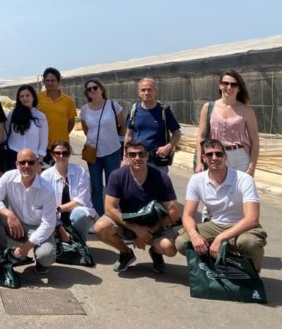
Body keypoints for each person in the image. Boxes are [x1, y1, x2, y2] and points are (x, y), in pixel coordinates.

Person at [176, 139, 267, 271]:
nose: (214, 158)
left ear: (225, 157)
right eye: (209, 154)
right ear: (203, 158)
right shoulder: (196, 180)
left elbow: (252, 219)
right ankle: (212, 267)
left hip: (241, 226)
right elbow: (187, 215)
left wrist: (220, 238)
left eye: (219, 154)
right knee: (182, 242)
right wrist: (194, 235)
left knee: (249, 243)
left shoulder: (244, 179)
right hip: (215, 225)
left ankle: (251, 276)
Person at [94, 140, 179, 275]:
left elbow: (173, 213)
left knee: (169, 249)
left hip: (154, 223)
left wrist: (147, 233)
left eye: (141, 154)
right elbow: (109, 209)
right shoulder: (117, 176)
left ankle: (156, 253)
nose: (137, 158)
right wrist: (136, 229)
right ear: (126, 157)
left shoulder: (161, 178)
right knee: (101, 227)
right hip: (127, 222)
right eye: (132, 155)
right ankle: (126, 253)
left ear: (147, 156)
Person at [0, 148, 57, 274]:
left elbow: (48, 224)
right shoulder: (8, 177)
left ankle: (41, 262)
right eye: (22, 162)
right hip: (15, 223)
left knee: (46, 255)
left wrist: (26, 247)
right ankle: (4, 256)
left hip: (37, 227)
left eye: (31, 162)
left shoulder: (47, 189)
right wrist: (9, 214)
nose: (26, 166)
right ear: (17, 164)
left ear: (37, 164)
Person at [195, 70, 260, 176]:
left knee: (240, 187)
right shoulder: (208, 107)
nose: (229, 87)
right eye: (225, 83)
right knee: (216, 186)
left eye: (233, 84)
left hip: (240, 158)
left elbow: (255, 141)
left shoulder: (247, 110)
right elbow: (200, 137)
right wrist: (199, 162)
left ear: (239, 88)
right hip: (216, 156)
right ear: (220, 85)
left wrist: (251, 169)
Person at [79, 78, 126, 218]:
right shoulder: (85, 110)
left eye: (95, 87)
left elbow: (123, 126)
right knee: (96, 187)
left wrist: (120, 143)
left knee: (113, 186)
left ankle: (114, 216)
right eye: (89, 89)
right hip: (93, 153)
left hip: (112, 151)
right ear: (87, 93)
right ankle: (99, 217)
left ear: (101, 89)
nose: (92, 90)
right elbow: (86, 130)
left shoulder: (113, 106)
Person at [40, 140, 97, 241]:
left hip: (73, 212)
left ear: (69, 154)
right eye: (57, 153)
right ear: (52, 155)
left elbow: (82, 200)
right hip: (54, 216)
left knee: (80, 216)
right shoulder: (45, 175)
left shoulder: (80, 171)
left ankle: (79, 241)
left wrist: (59, 209)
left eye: (65, 153)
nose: (61, 156)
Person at [123, 78, 182, 174]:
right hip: (137, 158)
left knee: (158, 183)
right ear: (138, 92)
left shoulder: (164, 110)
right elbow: (128, 135)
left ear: (155, 91)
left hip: (157, 160)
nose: (146, 93)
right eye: (143, 90)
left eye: (149, 89)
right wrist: (125, 157)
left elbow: (177, 133)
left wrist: (168, 147)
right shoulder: (134, 110)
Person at [36, 67, 77, 158]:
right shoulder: (37, 98)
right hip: (41, 146)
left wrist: (61, 134)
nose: (50, 83)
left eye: (53, 80)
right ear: (44, 82)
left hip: (61, 147)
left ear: (58, 82)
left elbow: (71, 122)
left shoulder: (68, 100)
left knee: (61, 167)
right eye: (47, 80)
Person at [4, 85, 47, 169]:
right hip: (14, 154)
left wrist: (40, 158)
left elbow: (44, 139)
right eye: (22, 96)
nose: (25, 98)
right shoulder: (12, 114)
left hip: (33, 157)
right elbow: (5, 133)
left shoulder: (40, 116)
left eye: (27, 95)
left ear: (33, 97)